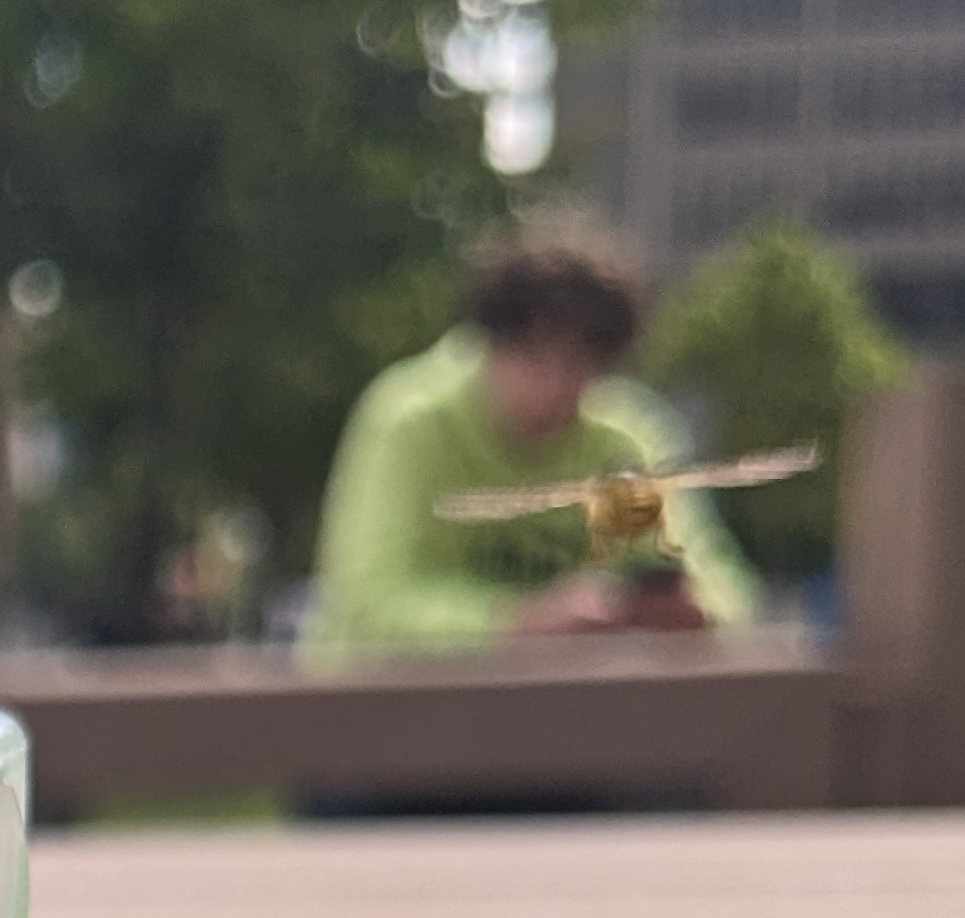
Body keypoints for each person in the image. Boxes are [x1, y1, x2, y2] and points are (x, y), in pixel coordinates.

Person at [301, 217, 759, 660]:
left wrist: (695, 614)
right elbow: (366, 604)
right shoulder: (409, 421)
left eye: (580, 361)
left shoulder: (622, 442)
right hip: (392, 705)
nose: (555, 384)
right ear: (487, 341)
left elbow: (726, 589)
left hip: (553, 706)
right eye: (534, 355)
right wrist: (513, 622)